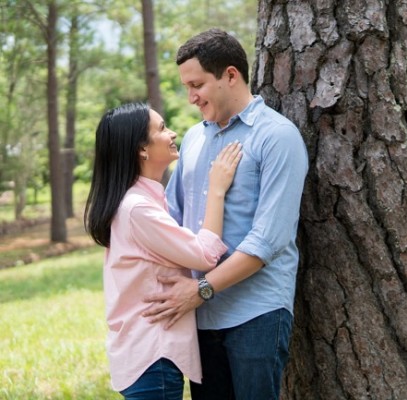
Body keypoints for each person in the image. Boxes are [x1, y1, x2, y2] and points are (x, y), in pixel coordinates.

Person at [141, 28, 309, 400]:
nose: (190, 97)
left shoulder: (277, 137)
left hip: (257, 313)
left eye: (197, 84)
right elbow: (174, 219)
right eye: (187, 87)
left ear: (230, 75)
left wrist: (201, 289)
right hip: (200, 315)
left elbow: (268, 241)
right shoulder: (194, 139)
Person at [84, 102, 242, 399]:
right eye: (161, 128)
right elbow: (206, 254)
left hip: (144, 355)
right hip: (152, 356)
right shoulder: (138, 209)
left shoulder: (141, 200)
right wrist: (217, 188)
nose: (172, 133)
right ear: (142, 149)